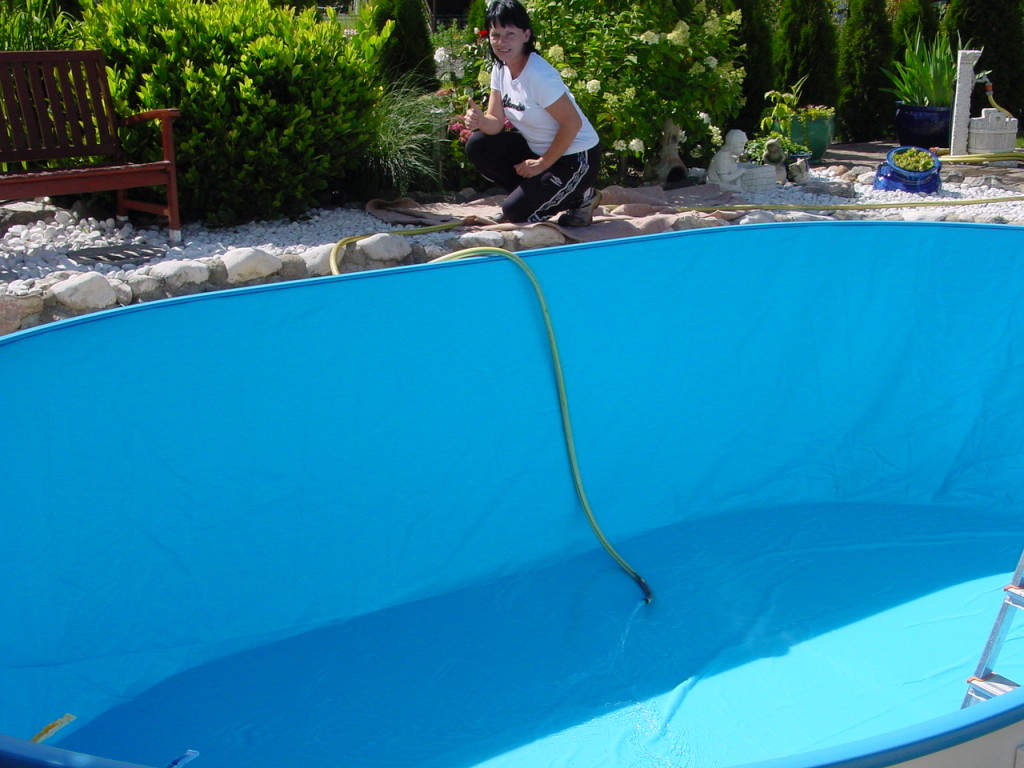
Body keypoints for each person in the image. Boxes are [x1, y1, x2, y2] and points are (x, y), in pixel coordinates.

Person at [462, 0, 602, 226]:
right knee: (478, 144)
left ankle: (583, 196)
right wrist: (479, 121)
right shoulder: (500, 68)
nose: (501, 42)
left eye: (510, 34)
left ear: (526, 35)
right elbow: (495, 122)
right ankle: (533, 197)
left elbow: (572, 123)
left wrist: (542, 164)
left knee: (516, 214)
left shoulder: (538, 75)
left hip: (576, 158)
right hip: (538, 151)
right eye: (495, 35)